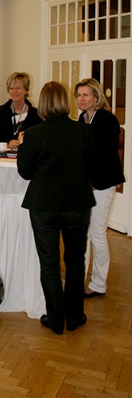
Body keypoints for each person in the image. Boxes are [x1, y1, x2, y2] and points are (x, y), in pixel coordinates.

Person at [17, 81, 97, 335]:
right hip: (77, 203)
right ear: (65, 102)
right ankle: (74, 316)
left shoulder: (34, 134)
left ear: (43, 104)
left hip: (43, 205)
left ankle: (55, 318)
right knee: (75, 261)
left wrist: (22, 147)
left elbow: (25, 172)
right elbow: (92, 168)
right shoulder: (83, 132)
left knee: (48, 262)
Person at [0, 72, 42, 267]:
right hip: (3, 171)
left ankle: (24, 253)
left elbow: (39, 143)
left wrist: (23, 143)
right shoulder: (0, 112)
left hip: (24, 171)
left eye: (19, 87)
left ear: (26, 90)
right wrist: (7, 142)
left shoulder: (36, 115)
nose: (15, 91)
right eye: (12, 87)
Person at [74, 78, 125, 298]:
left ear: (96, 97)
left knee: (97, 232)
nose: (81, 99)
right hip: (86, 184)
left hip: (102, 183)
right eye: (78, 95)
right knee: (83, 234)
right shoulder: (81, 118)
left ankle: (99, 283)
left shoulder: (107, 119)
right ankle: (79, 279)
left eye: (86, 95)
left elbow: (103, 154)